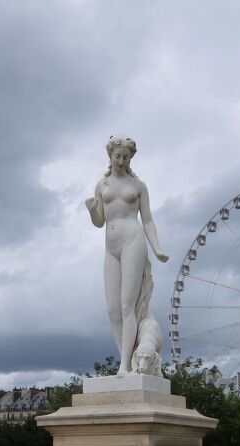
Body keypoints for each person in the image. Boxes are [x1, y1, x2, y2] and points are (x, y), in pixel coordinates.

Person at [85, 135, 168, 374]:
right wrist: (92, 210)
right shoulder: (102, 185)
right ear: (110, 156)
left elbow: (148, 219)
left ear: (130, 159)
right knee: (112, 309)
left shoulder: (138, 186)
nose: (121, 160)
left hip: (133, 240)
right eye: (117, 156)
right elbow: (100, 221)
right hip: (110, 247)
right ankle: (128, 359)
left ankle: (124, 367)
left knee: (126, 306)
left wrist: (157, 248)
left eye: (126, 157)